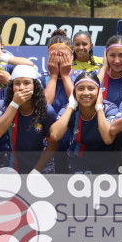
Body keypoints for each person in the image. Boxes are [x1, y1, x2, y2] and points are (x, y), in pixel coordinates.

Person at [49, 72, 119, 174]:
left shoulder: (109, 108)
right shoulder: (69, 108)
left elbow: (108, 139)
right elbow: (55, 135)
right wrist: (71, 106)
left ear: (99, 91)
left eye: (91, 88)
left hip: (106, 160)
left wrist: (99, 108)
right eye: (81, 89)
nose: (86, 93)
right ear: (74, 92)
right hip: (78, 160)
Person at [0, 64, 58, 173]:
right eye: (17, 83)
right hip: (13, 167)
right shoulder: (4, 105)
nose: (21, 87)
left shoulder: (47, 110)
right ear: (12, 86)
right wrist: (15, 104)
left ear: (35, 86)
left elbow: (52, 145)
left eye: (27, 83)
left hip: (42, 168)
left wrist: (36, 171)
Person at [41, 29, 81, 173]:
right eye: (54, 55)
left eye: (63, 55)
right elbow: (44, 107)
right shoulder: (41, 80)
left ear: (72, 56)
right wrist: (53, 76)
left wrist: (65, 76)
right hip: (48, 143)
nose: (59, 60)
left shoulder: (81, 78)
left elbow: (78, 103)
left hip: (73, 142)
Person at [97, 34, 122, 108]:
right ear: (106, 56)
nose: (117, 61)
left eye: (121, 55)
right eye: (112, 55)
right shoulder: (98, 74)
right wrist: (104, 68)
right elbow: (90, 91)